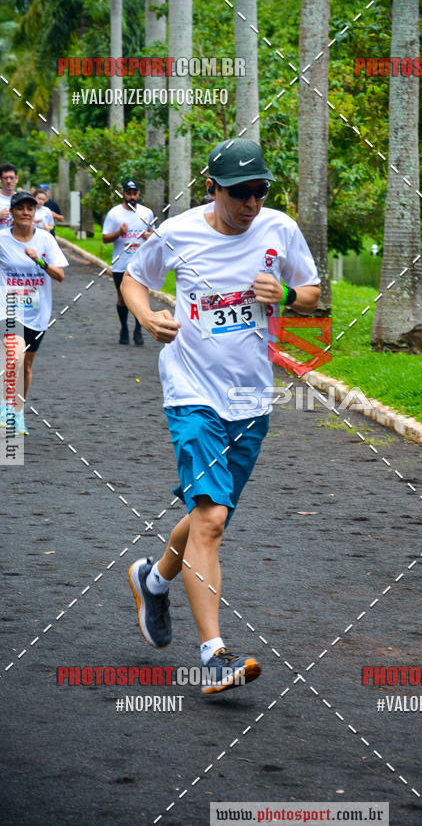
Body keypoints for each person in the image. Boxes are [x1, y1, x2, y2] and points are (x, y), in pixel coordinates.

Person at [122, 139, 321, 694]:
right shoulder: (179, 232)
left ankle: (154, 580)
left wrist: (283, 292)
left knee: (214, 513)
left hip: (251, 397)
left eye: (260, 192)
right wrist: (147, 314)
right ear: (212, 188)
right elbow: (132, 278)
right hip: (190, 388)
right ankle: (214, 654)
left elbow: (311, 293)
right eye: (240, 193)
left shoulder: (279, 229)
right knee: (209, 519)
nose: (252, 203)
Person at [0, 192, 68, 435]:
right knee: (15, 356)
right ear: (13, 212)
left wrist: (39, 261)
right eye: (20, 208)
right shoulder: (2, 239)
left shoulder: (46, 240)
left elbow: (60, 275)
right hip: (8, 308)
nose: (26, 212)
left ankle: (17, 412)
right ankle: (5, 406)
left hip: (37, 312)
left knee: (26, 365)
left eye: (30, 208)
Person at [102, 179, 154, 345]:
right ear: (123, 193)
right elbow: (105, 238)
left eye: (135, 193)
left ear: (138, 194)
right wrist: (119, 232)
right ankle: (124, 328)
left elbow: (154, 233)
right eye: (129, 193)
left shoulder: (147, 213)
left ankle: (138, 330)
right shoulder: (114, 214)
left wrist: (150, 235)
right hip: (120, 263)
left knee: (141, 298)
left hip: (141, 263)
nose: (132, 196)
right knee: (122, 298)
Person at [0, 163, 18, 230]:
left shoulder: (21, 198)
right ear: (0, 179)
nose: (9, 181)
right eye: (5, 178)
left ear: (16, 178)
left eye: (11, 178)